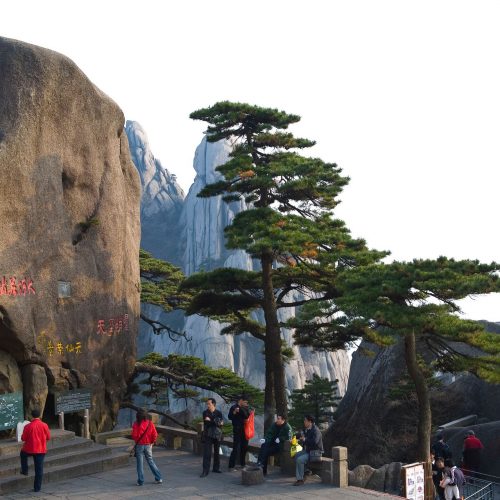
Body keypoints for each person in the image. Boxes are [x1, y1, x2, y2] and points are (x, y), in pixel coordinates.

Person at [20, 408, 51, 492]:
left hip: (29, 449)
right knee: (39, 469)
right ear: (39, 416)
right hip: (41, 450)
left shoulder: (27, 426)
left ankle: (25, 470)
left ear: (32, 416)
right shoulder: (44, 425)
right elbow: (48, 437)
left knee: (22, 454)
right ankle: (37, 488)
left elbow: (23, 438)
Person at [131, 410, 162, 486]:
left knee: (140, 464)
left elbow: (134, 435)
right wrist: (152, 442)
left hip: (139, 445)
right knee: (151, 461)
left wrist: (138, 440)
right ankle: (158, 478)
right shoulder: (150, 423)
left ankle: (141, 481)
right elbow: (155, 434)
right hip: (148, 445)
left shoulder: (136, 424)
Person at [293, 415, 323, 486]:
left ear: (310, 422)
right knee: (296, 455)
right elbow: (303, 437)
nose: (304, 422)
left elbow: (314, 442)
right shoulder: (308, 429)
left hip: (315, 452)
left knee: (300, 460)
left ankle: (300, 479)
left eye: (305, 421)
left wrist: (305, 440)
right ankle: (306, 471)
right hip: (308, 451)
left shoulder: (316, 430)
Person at [200, 398, 224, 477]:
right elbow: (207, 423)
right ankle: (205, 471)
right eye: (207, 404)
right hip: (208, 434)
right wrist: (215, 421)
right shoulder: (205, 413)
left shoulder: (219, 412)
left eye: (209, 404)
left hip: (217, 434)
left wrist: (212, 421)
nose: (207, 405)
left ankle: (216, 468)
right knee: (207, 453)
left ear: (213, 404)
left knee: (217, 452)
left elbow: (221, 423)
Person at [227, 395, 250, 471]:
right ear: (240, 401)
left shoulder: (245, 408)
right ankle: (231, 466)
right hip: (237, 429)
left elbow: (247, 416)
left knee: (244, 447)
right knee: (236, 448)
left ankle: (243, 464)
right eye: (245, 402)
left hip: (245, 430)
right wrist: (234, 412)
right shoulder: (233, 407)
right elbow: (229, 417)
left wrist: (240, 410)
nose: (246, 403)